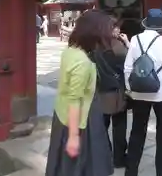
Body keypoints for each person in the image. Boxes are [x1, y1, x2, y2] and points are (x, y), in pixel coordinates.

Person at [45, 10, 113, 176]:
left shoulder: (71, 50)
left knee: (63, 166)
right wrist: (74, 136)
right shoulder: (82, 62)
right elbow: (74, 99)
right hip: (82, 120)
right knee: (82, 167)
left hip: (63, 116)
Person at [124, 8, 162, 176]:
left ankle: (131, 170)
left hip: (139, 92)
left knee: (137, 131)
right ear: (161, 26)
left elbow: (127, 68)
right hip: (161, 92)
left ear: (146, 23)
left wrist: (129, 88)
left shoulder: (135, 40)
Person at [97, 20, 130, 168]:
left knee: (102, 127)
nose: (118, 31)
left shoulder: (95, 46)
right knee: (119, 126)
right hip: (117, 93)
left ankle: (105, 155)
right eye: (116, 28)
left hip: (101, 92)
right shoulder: (118, 46)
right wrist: (127, 42)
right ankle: (119, 158)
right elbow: (131, 63)